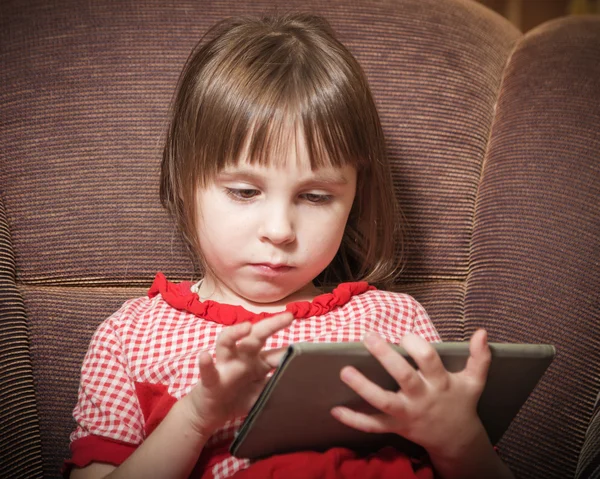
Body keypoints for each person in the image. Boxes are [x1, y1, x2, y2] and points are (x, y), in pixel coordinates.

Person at [65, 13, 514, 479]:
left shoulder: (398, 322)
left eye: (315, 196)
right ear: (183, 183)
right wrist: (198, 414)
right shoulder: (131, 336)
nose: (280, 230)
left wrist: (460, 441)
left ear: (354, 198)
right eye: (244, 192)